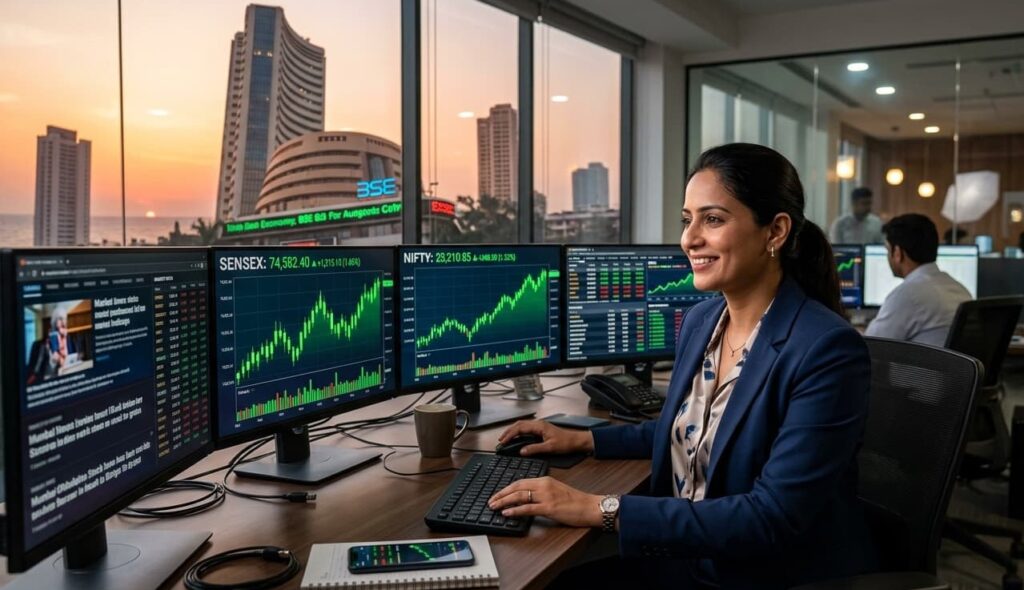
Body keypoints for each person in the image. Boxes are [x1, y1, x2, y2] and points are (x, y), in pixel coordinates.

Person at [489, 143, 876, 588]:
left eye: (713, 219)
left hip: (756, 573)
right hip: (687, 557)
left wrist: (598, 508)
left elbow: (771, 517)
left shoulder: (826, 350)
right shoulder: (702, 321)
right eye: (686, 219)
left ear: (775, 231)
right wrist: (583, 440)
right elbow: (691, 428)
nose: (690, 238)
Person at [865, 214, 972, 346]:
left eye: (887, 250)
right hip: (947, 366)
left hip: (924, 366)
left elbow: (871, 345)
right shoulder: (959, 289)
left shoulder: (908, 294)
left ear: (897, 253)